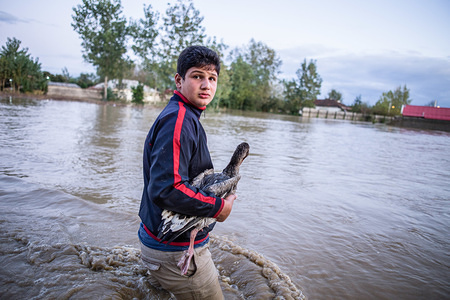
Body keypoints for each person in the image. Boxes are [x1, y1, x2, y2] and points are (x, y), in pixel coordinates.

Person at [138, 45, 236, 299]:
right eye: (197, 76)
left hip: (161, 240)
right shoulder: (179, 120)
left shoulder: (185, 116)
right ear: (179, 80)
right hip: (173, 250)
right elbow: (166, 189)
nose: (206, 85)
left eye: (212, 78)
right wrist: (219, 208)